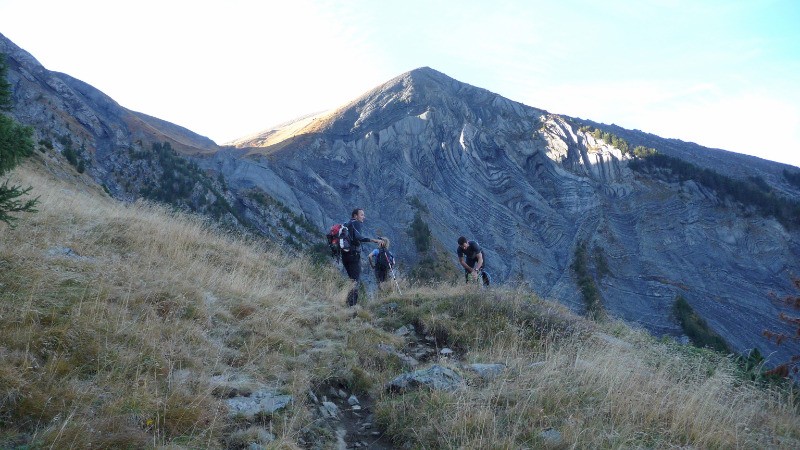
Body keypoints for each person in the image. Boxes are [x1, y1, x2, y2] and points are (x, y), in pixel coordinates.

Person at [341, 208, 382, 306]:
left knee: (352, 280)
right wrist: (374, 240)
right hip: (353, 255)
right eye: (362, 215)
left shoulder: (346, 224)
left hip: (345, 255)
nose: (364, 217)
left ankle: (348, 303)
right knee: (355, 280)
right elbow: (358, 237)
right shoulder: (356, 223)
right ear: (355, 216)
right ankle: (352, 305)